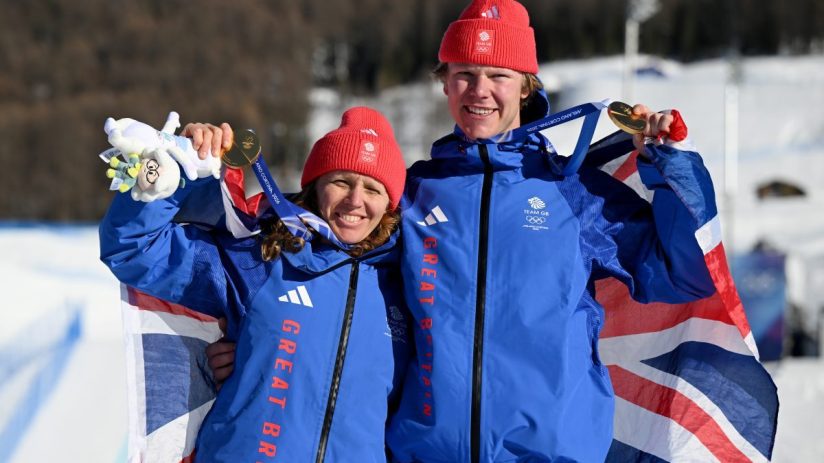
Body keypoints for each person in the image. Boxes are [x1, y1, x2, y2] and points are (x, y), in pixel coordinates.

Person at [197, 1, 723, 461]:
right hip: (425, 452)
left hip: (548, 455)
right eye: (464, 73)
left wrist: (670, 165)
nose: (480, 91)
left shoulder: (572, 193)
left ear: (526, 85)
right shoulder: (416, 194)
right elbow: (329, 263)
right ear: (444, 81)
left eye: (498, 75)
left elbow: (689, 272)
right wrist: (256, 342)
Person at [100, 106, 410, 462]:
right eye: (341, 181)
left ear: (390, 205)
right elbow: (133, 250)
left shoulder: (404, 288)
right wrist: (176, 172)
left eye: (372, 188)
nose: (355, 200)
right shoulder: (263, 259)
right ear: (315, 186)